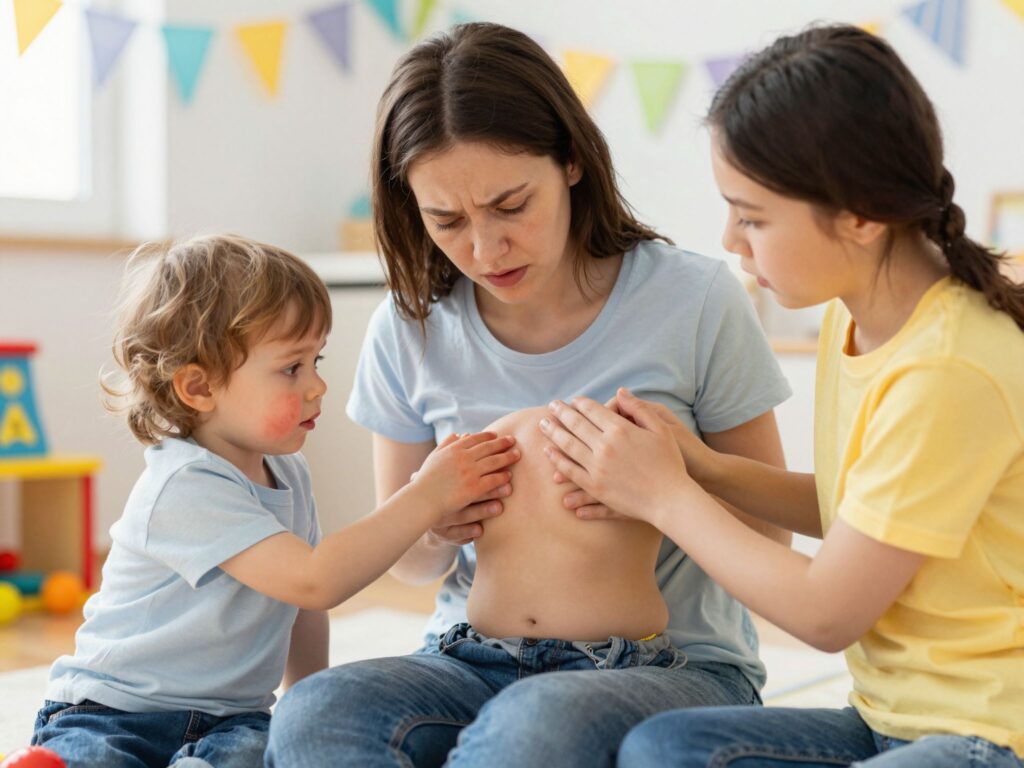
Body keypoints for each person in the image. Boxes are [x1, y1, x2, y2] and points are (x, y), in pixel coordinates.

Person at [267, 22, 792, 768]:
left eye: (511, 205)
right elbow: (414, 565)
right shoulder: (409, 328)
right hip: (469, 655)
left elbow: (773, 536)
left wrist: (660, 491)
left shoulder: (695, 298)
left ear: (572, 160)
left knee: (532, 728)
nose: (484, 250)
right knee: (316, 711)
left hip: (672, 665)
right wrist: (437, 517)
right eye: (445, 220)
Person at [538, 25, 1024, 768]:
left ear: (860, 215)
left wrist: (666, 497)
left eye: (753, 216)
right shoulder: (856, 314)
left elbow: (827, 612)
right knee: (662, 749)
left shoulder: (952, 367)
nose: (730, 238)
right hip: (886, 717)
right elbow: (854, 512)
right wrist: (699, 465)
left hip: (990, 737)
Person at [32, 235, 518, 768]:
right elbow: (315, 578)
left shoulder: (287, 471)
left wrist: (305, 702)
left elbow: (305, 607)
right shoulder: (184, 484)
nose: (318, 387)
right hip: (114, 711)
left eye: (317, 360)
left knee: (259, 755)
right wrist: (425, 496)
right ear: (199, 387)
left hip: (232, 718)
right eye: (292, 368)